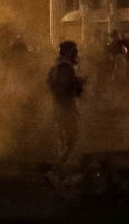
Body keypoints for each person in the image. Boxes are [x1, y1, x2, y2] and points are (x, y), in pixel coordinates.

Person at [47, 41, 85, 185]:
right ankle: (54, 172)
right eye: (75, 52)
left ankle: (60, 176)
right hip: (67, 109)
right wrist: (80, 83)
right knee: (71, 142)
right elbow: (74, 90)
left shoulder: (54, 68)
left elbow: (51, 86)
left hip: (58, 108)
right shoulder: (67, 69)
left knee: (63, 143)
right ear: (70, 53)